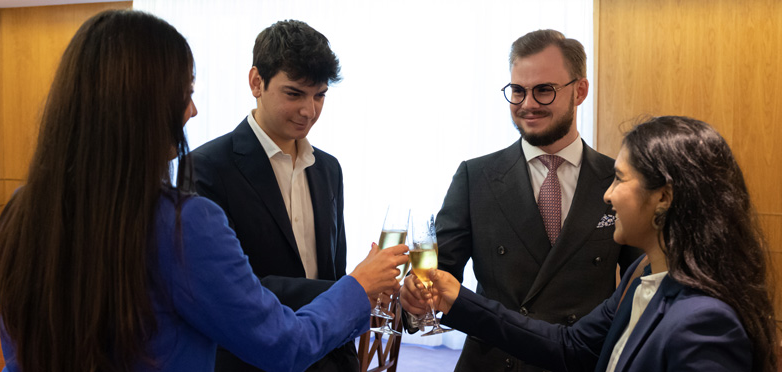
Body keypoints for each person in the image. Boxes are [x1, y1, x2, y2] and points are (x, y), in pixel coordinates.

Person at [0, 10, 409, 372]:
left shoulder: (20, 212)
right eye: (186, 94)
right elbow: (283, 344)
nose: (192, 111)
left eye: (319, 96)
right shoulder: (183, 221)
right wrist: (356, 288)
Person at [403, 116, 779, 372]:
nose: (607, 195)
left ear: (663, 197)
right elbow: (570, 346)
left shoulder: (705, 323)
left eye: (619, 179)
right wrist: (457, 299)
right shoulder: (642, 275)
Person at [418, 29, 640, 371]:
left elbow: (639, 288)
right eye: (517, 91)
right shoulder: (475, 177)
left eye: (544, 91)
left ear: (579, 91)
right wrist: (414, 301)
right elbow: (437, 282)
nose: (528, 104)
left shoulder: (618, 180)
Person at [188, 19, 362, 372]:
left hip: (328, 358)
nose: (309, 110)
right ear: (256, 82)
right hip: (251, 360)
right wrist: (354, 290)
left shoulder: (328, 169)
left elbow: (331, 268)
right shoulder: (206, 168)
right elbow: (240, 289)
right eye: (294, 93)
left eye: (320, 95)